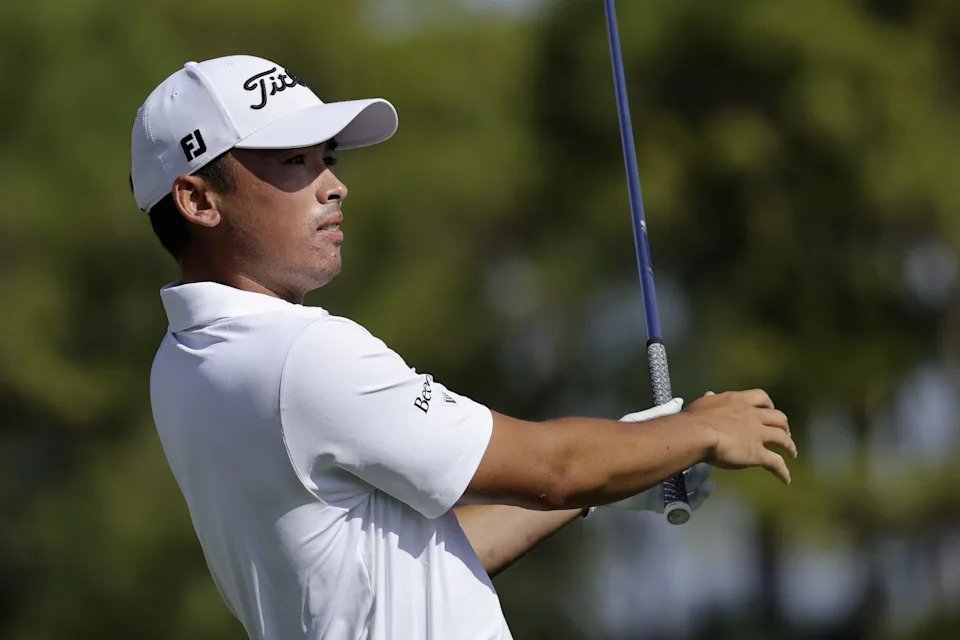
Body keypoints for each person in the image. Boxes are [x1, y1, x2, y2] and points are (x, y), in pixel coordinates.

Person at [131, 55, 797, 640]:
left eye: (327, 160)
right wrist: (698, 430)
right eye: (294, 162)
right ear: (197, 199)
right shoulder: (301, 355)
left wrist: (626, 468)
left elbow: (424, 561)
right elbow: (553, 467)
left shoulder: (184, 362)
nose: (334, 185)